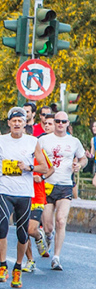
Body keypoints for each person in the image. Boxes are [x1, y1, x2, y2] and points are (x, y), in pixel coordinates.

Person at [0, 107, 48, 288]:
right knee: (2, 227)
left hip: (24, 192)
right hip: (4, 190)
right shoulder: (0, 141)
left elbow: (45, 167)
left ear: (25, 124)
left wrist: (29, 167)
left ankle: (17, 267)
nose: (16, 124)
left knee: (22, 233)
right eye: (13, 121)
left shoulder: (32, 142)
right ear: (8, 123)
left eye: (20, 121)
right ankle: (2, 266)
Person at [39, 111, 87, 271]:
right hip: (47, 185)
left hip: (65, 184)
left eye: (63, 121)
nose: (60, 124)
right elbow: (35, 157)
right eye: (57, 121)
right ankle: (48, 236)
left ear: (68, 123)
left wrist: (79, 165)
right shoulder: (44, 140)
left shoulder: (74, 141)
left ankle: (56, 257)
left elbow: (83, 158)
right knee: (48, 226)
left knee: (61, 220)